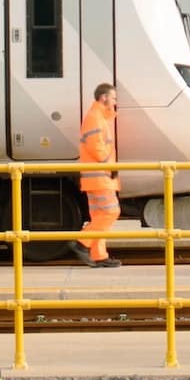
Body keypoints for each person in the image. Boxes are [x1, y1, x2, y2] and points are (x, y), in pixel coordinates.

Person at [77, 82, 120, 267]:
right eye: (113, 98)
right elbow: (96, 147)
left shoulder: (98, 117)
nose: (115, 102)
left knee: (99, 217)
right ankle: (82, 243)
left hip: (96, 177)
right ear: (104, 98)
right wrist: (109, 166)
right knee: (111, 212)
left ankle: (99, 256)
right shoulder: (95, 118)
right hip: (100, 176)